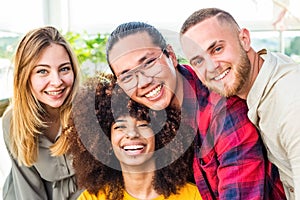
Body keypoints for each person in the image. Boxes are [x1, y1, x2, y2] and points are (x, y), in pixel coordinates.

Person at [105, 22, 286, 199]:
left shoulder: (222, 110)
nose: (143, 82)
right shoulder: (144, 115)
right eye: (127, 76)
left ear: (172, 56)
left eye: (149, 63)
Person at [179, 7, 299, 199]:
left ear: (244, 39)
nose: (212, 66)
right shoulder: (260, 83)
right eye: (199, 61)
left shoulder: (290, 101)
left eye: (217, 49)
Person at [65, 76, 202, 200]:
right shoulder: (91, 198)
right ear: (106, 140)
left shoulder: (193, 196)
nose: (132, 134)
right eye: (120, 127)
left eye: (143, 125)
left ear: (161, 135)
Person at [1, 26, 82, 199]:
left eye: (64, 69)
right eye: (42, 71)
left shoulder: (89, 113)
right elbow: (27, 190)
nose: (57, 82)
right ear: (25, 76)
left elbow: (96, 185)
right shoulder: (13, 121)